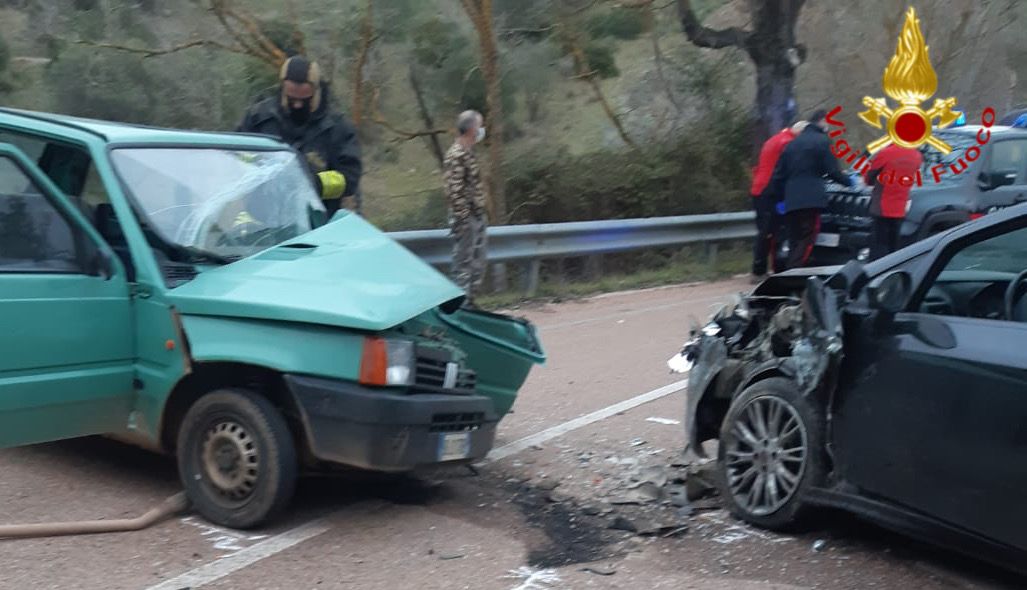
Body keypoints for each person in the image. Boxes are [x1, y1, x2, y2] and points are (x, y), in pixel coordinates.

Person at [237, 56, 362, 216]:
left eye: (304, 100)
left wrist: (314, 183)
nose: (297, 105)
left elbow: (349, 177)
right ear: (283, 89)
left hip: (316, 222)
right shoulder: (258, 118)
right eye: (291, 99)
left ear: (316, 91)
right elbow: (237, 158)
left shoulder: (337, 128)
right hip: (263, 220)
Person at [767, 109, 853, 269]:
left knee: (794, 237)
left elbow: (778, 175)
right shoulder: (822, 141)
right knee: (807, 238)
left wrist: (780, 198)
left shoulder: (791, 144)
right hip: (812, 198)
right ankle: (794, 273)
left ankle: (789, 271)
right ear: (822, 121)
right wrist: (849, 182)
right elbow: (832, 171)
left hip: (791, 199)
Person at [749, 120, 808, 282]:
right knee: (769, 232)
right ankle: (760, 270)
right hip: (771, 191)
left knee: (767, 231)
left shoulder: (776, 138)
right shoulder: (787, 143)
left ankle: (764, 268)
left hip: (760, 188)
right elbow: (787, 169)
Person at [443, 110, 489, 302]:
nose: (482, 130)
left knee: (476, 265)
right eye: (480, 125)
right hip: (466, 218)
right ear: (471, 129)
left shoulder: (468, 153)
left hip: (476, 215)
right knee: (463, 266)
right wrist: (464, 218)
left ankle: (470, 304)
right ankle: (459, 309)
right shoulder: (456, 155)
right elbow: (454, 190)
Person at [865, 144, 923, 260]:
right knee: (893, 246)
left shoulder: (886, 153)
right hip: (900, 207)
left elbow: (869, 178)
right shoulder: (917, 156)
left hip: (882, 206)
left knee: (879, 246)